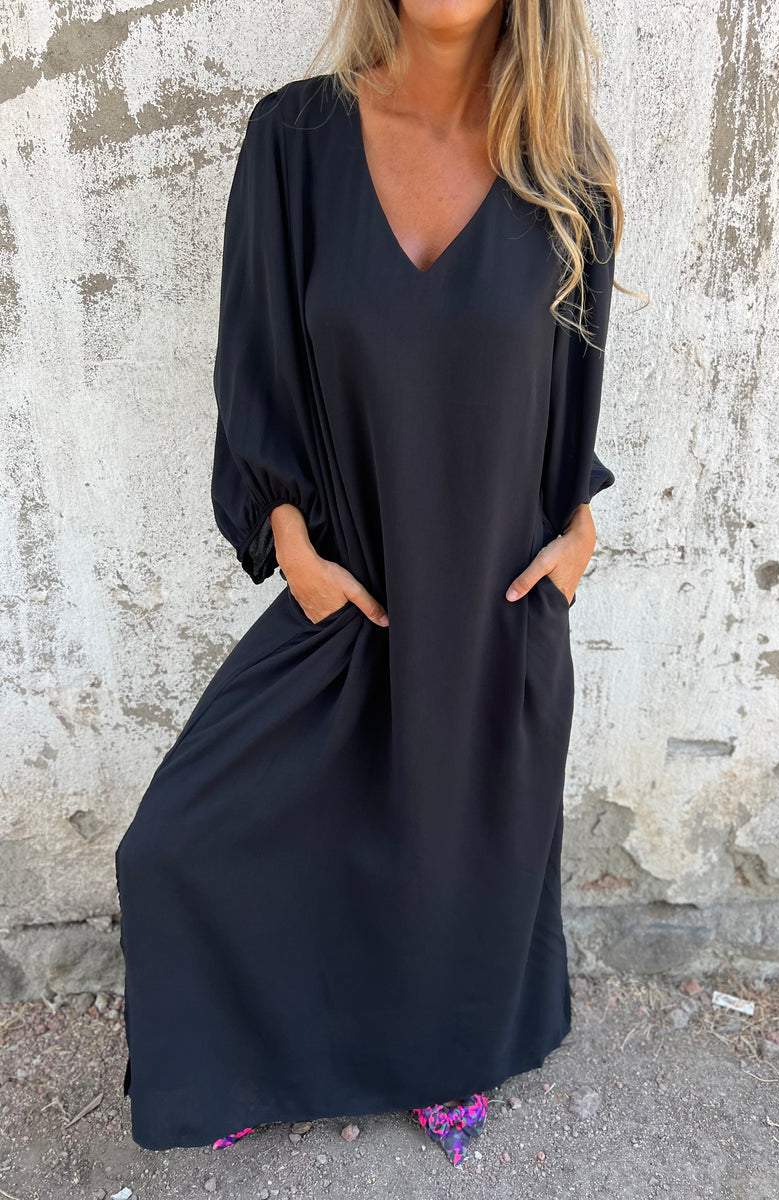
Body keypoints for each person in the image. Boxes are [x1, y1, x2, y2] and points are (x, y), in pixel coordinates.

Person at [114, 0, 622, 1171]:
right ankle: (237, 1053)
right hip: (349, 588)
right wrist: (288, 538)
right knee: (174, 845)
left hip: (493, 607)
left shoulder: (568, 173)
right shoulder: (295, 143)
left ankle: (446, 1055)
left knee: (458, 857)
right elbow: (255, 363)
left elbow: (574, 394)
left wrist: (580, 531)